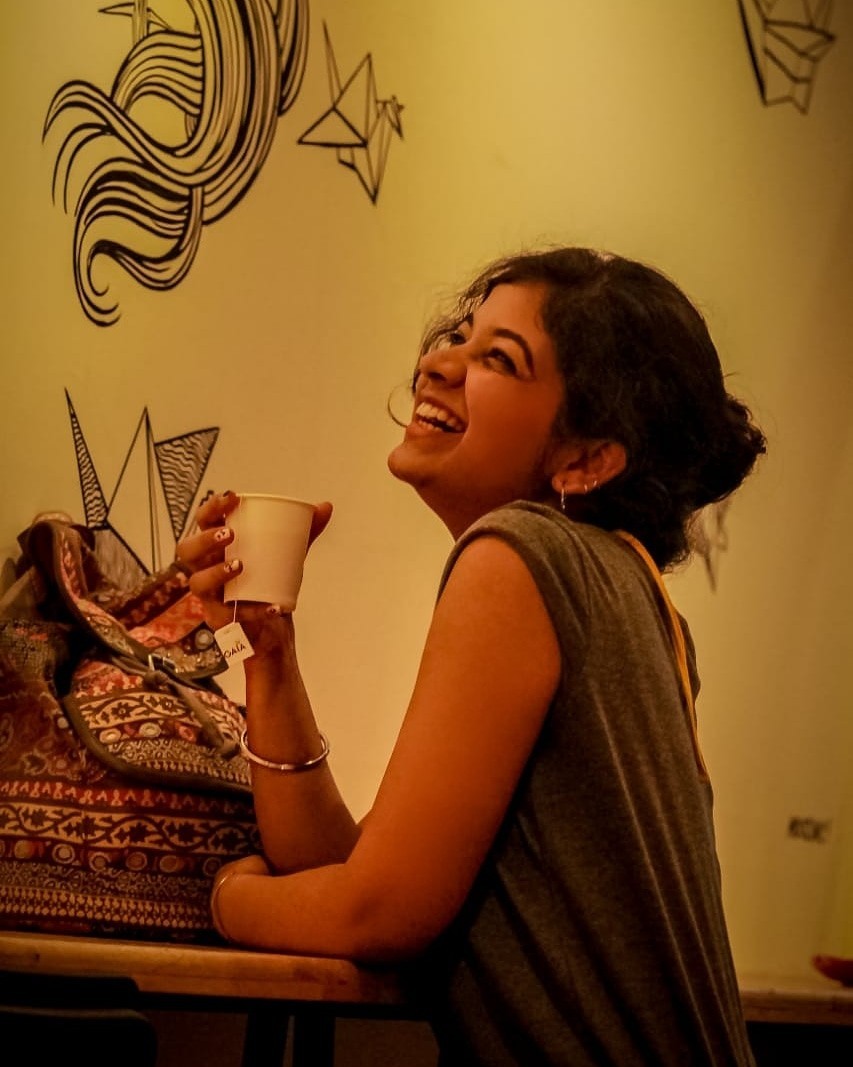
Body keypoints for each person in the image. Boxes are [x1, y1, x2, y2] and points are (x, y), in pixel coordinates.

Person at [178, 247, 766, 1066]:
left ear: (586, 459)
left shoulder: (518, 553)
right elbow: (353, 871)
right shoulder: (626, 582)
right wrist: (267, 653)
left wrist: (223, 896)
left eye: (499, 358)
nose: (437, 363)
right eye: (461, 335)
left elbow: (376, 914)